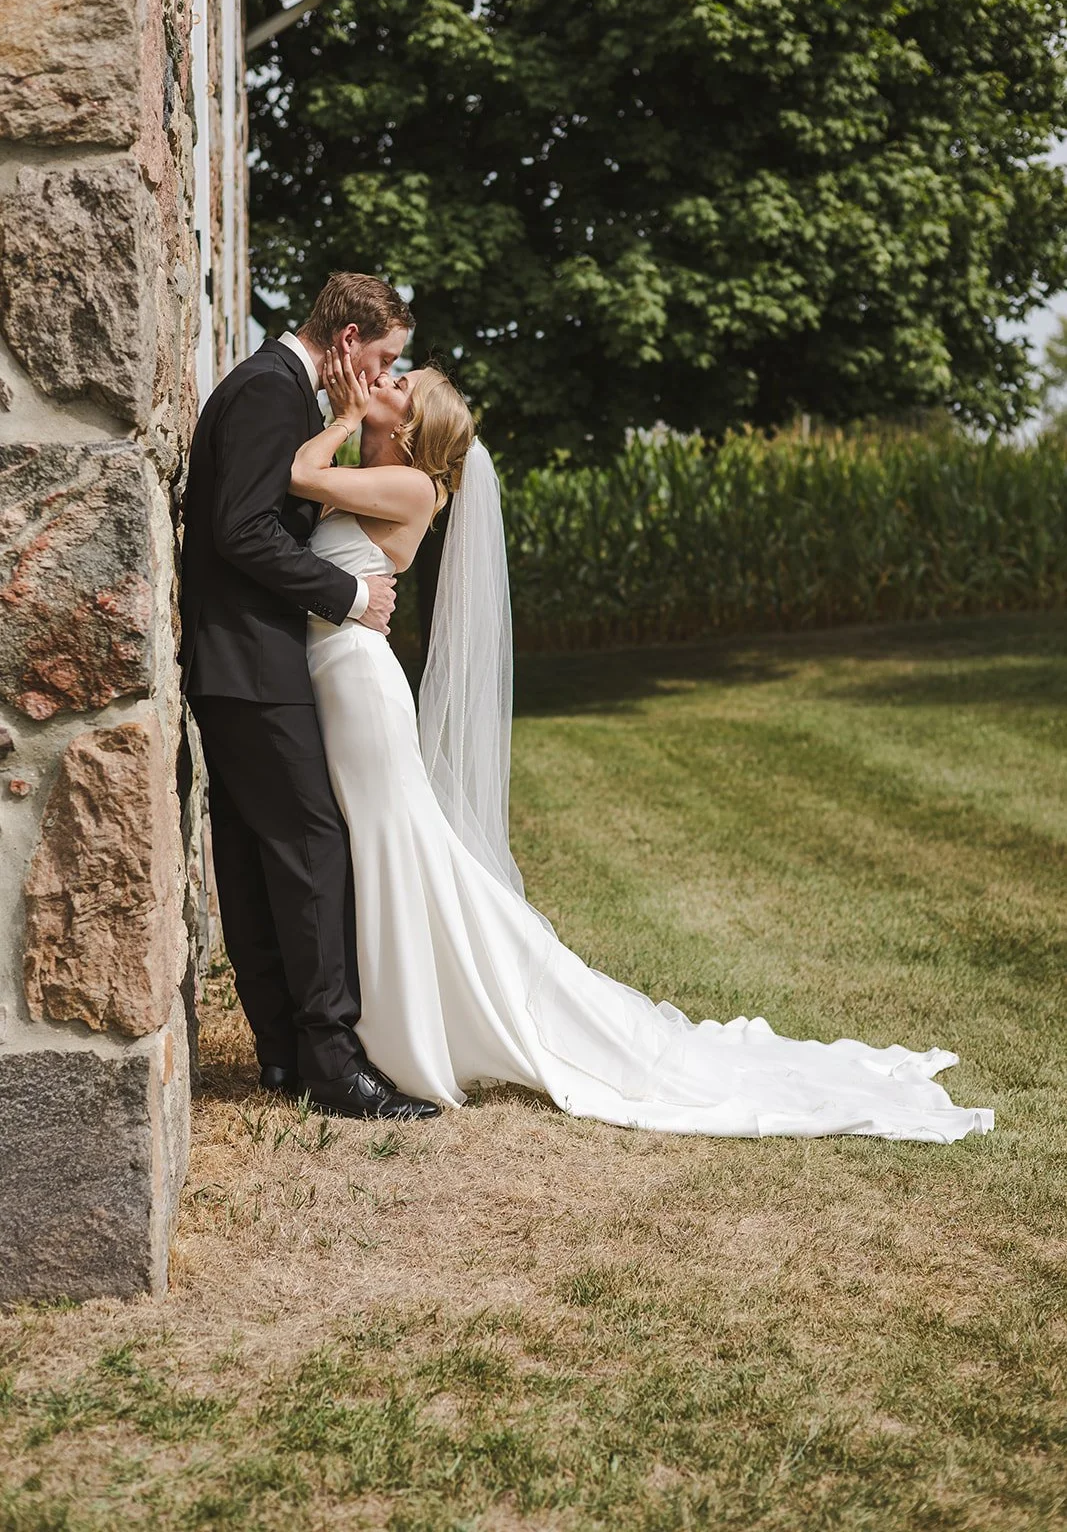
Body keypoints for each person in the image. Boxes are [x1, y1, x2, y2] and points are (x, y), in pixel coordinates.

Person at [284, 347, 995, 1142]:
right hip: (338, 676)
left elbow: (299, 476)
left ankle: (400, 1033)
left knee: (395, 848)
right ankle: (390, 1022)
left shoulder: (411, 485)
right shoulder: (381, 471)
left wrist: (341, 416)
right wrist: (349, 423)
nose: (383, 378)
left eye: (397, 383)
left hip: (356, 684)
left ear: (410, 425)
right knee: (396, 851)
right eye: (389, 373)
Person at [180, 273, 440, 1121]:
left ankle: (287, 1054)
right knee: (310, 847)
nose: (383, 374)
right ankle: (331, 1062)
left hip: (251, 662)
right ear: (348, 338)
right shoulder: (268, 389)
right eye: (385, 357)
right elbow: (243, 529)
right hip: (250, 662)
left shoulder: (284, 388)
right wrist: (349, 596)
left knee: (262, 856)